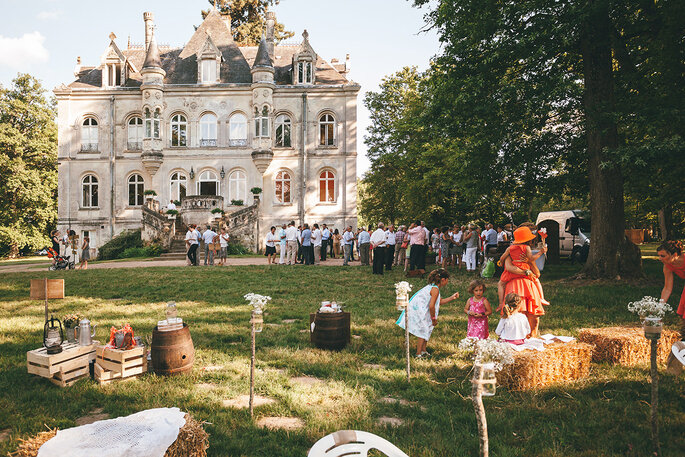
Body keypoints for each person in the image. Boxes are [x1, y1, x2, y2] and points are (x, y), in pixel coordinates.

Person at [498, 226, 549, 337]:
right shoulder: (526, 249)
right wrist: (540, 254)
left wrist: (500, 262)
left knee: (530, 314)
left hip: (522, 283)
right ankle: (541, 298)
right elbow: (531, 269)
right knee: (519, 311)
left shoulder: (510, 250)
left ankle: (500, 302)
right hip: (521, 283)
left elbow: (537, 273)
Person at [396, 268, 460, 358]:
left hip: (424, 310)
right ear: (443, 280)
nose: (447, 282)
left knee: (427, 330)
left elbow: (439, 301)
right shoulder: (435, 289)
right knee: (423, 331)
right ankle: (418, 353)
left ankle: (423, 350)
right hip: (421, 311)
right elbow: (431, 306)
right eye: (447, 280)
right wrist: (433, 318)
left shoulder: (434, 287)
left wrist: (452, 297)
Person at [657, 240, 685, 336]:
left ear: (675, 254)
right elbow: (667, 288)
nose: (660, 258)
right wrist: (659, 308)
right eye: (659, 255)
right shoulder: (667, 266)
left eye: (663, 256)